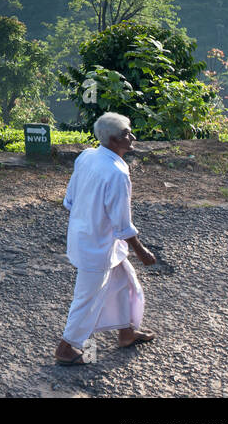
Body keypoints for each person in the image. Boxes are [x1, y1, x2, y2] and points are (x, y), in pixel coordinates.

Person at [55, 112, 157, 365]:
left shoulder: (87, 156)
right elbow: (122, 223)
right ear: (112, 139)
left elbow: (70, 199)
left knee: (124, 281)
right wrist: (141, 251)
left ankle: (126, 332)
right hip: (97, 247)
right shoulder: (117, 173)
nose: (131, 137)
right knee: (87, 298)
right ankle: (66, 348)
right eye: (126, 134)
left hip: (88, 237)